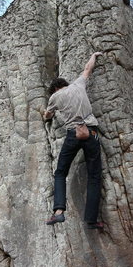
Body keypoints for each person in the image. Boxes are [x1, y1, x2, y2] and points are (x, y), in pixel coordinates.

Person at [43, 52, 104, 230]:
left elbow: (48, 115)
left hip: (72, 135)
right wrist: (94, 55)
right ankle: (92, 220)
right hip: (91, 132)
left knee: (61, 172)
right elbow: (87, 68)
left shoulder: (55, 98)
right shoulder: (78, 84)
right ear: (65, 84)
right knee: (94, 176)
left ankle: (59, 212)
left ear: (54, 89)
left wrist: (47, 114)